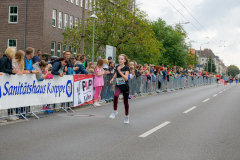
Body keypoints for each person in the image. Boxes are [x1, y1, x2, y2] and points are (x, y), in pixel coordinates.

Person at [109, 54, 130, 124]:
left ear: (124, 60)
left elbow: (126, 78)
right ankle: (115, 111)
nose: (120, 60)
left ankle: (126, 116)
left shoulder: (126, 68)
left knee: (125, 102)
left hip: (125, 86)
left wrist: (120, 71)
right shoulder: (117, 67)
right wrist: (112, 79)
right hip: (118, 85)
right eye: (119, 59)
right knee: (115, 95)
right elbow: (115, 74)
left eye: (121, 59)